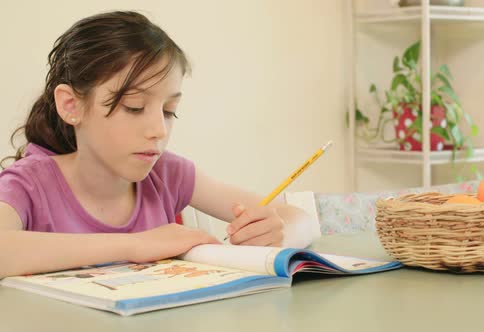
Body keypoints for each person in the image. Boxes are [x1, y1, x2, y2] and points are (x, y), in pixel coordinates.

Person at [0, 11, 314, 278]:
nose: (158, 130)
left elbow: (299, 218)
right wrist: (134, 244)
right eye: (134, 107)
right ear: (71, 105)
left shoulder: (169, 175)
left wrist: (280, 235)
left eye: (169, 111)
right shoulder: (29, 184)